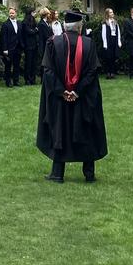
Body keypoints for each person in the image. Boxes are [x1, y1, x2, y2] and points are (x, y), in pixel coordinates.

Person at [37, 10, 107, 183]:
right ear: (80, 27)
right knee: (87, 129)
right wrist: (77, 91)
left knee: (60, 129)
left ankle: (57, 173)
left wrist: (62, 91)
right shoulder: (89, 44)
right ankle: (89, 174)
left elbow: (48, 70)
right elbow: (92, 72)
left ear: (64, 26)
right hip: (83, 99)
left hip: (60, 100)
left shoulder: (53, 43)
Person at [0, 7, 22, 87]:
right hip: (9, 48)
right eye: (10, 13)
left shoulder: (19, 23)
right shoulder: (5, 24)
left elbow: (20, 35)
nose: (11, 14)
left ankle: (16, 81)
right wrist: (5, 49)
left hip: (18, 48)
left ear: (16, 14)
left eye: (13, 13)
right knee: (8, 66)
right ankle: (8, 81)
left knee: (16, 65)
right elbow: (4, 37)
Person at [100, 8, 122, 80]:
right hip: (108, 40)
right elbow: (104, 34)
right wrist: (105, 44)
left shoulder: (115, 22)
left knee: (113, 57)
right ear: (107, 14)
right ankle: (108, 72)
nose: (112, 13)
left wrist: (119, 42)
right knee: (108, 57)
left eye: (112, 12)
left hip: (114, 40)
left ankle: (112, 72)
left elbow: (118, 33)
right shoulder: (105, 23)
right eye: (110, 12)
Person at [21, 10, 39, 86]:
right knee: (28, 63)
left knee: (33, 63)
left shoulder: (33, 20)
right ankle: (28, 79)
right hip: (28, 46)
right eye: (34, 12)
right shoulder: (25, 22)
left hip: (34, 45)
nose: (35, 14)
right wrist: (35, 30)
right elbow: (29, 32)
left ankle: (32, 79)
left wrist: (34, 30)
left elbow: (35, 30)